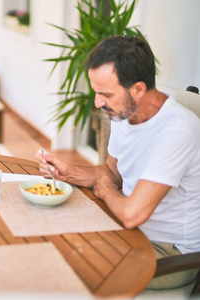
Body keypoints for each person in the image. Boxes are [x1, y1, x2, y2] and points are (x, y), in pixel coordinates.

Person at [36, 36, 200, 290]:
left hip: (169, 253)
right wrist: (68, 173)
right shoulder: (125, 113)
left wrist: (106, 190)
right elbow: (113, 172)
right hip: (130, 234)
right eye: (96, 92)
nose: (98, 102)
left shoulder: (177, 131)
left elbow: (131, 213)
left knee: (68, 268)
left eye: (105, 94)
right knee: (53, 238)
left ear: (138, 89)